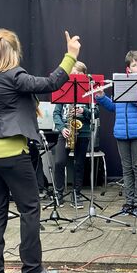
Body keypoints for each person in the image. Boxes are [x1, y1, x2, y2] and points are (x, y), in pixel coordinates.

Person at [0, 28, 80, 273]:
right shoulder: (15, 76)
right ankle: (32, 268)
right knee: (29, 209)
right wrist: (70, 55)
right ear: (15, 51)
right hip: (12, 154)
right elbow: (51, 83)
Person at [95, 50, 137, 217]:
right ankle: (129, 202)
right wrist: (101, 97)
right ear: (129, 68)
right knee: (127, 169)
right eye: (134, 64)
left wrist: (129, 92)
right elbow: (114, 107)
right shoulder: (122, 83)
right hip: (121, 132)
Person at [53, 61, 98, 208]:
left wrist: (83, 111)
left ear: (84, 75)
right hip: (66, 131)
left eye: (79, 74)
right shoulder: (63, 88)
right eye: (73, 73)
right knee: (59, 162)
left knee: (79, 164)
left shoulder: (88, 91)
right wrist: (61, 128)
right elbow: (56, 114)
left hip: (83, 132)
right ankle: (58, 193)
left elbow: (96, 113)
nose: (75, 76)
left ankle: (76, 194)